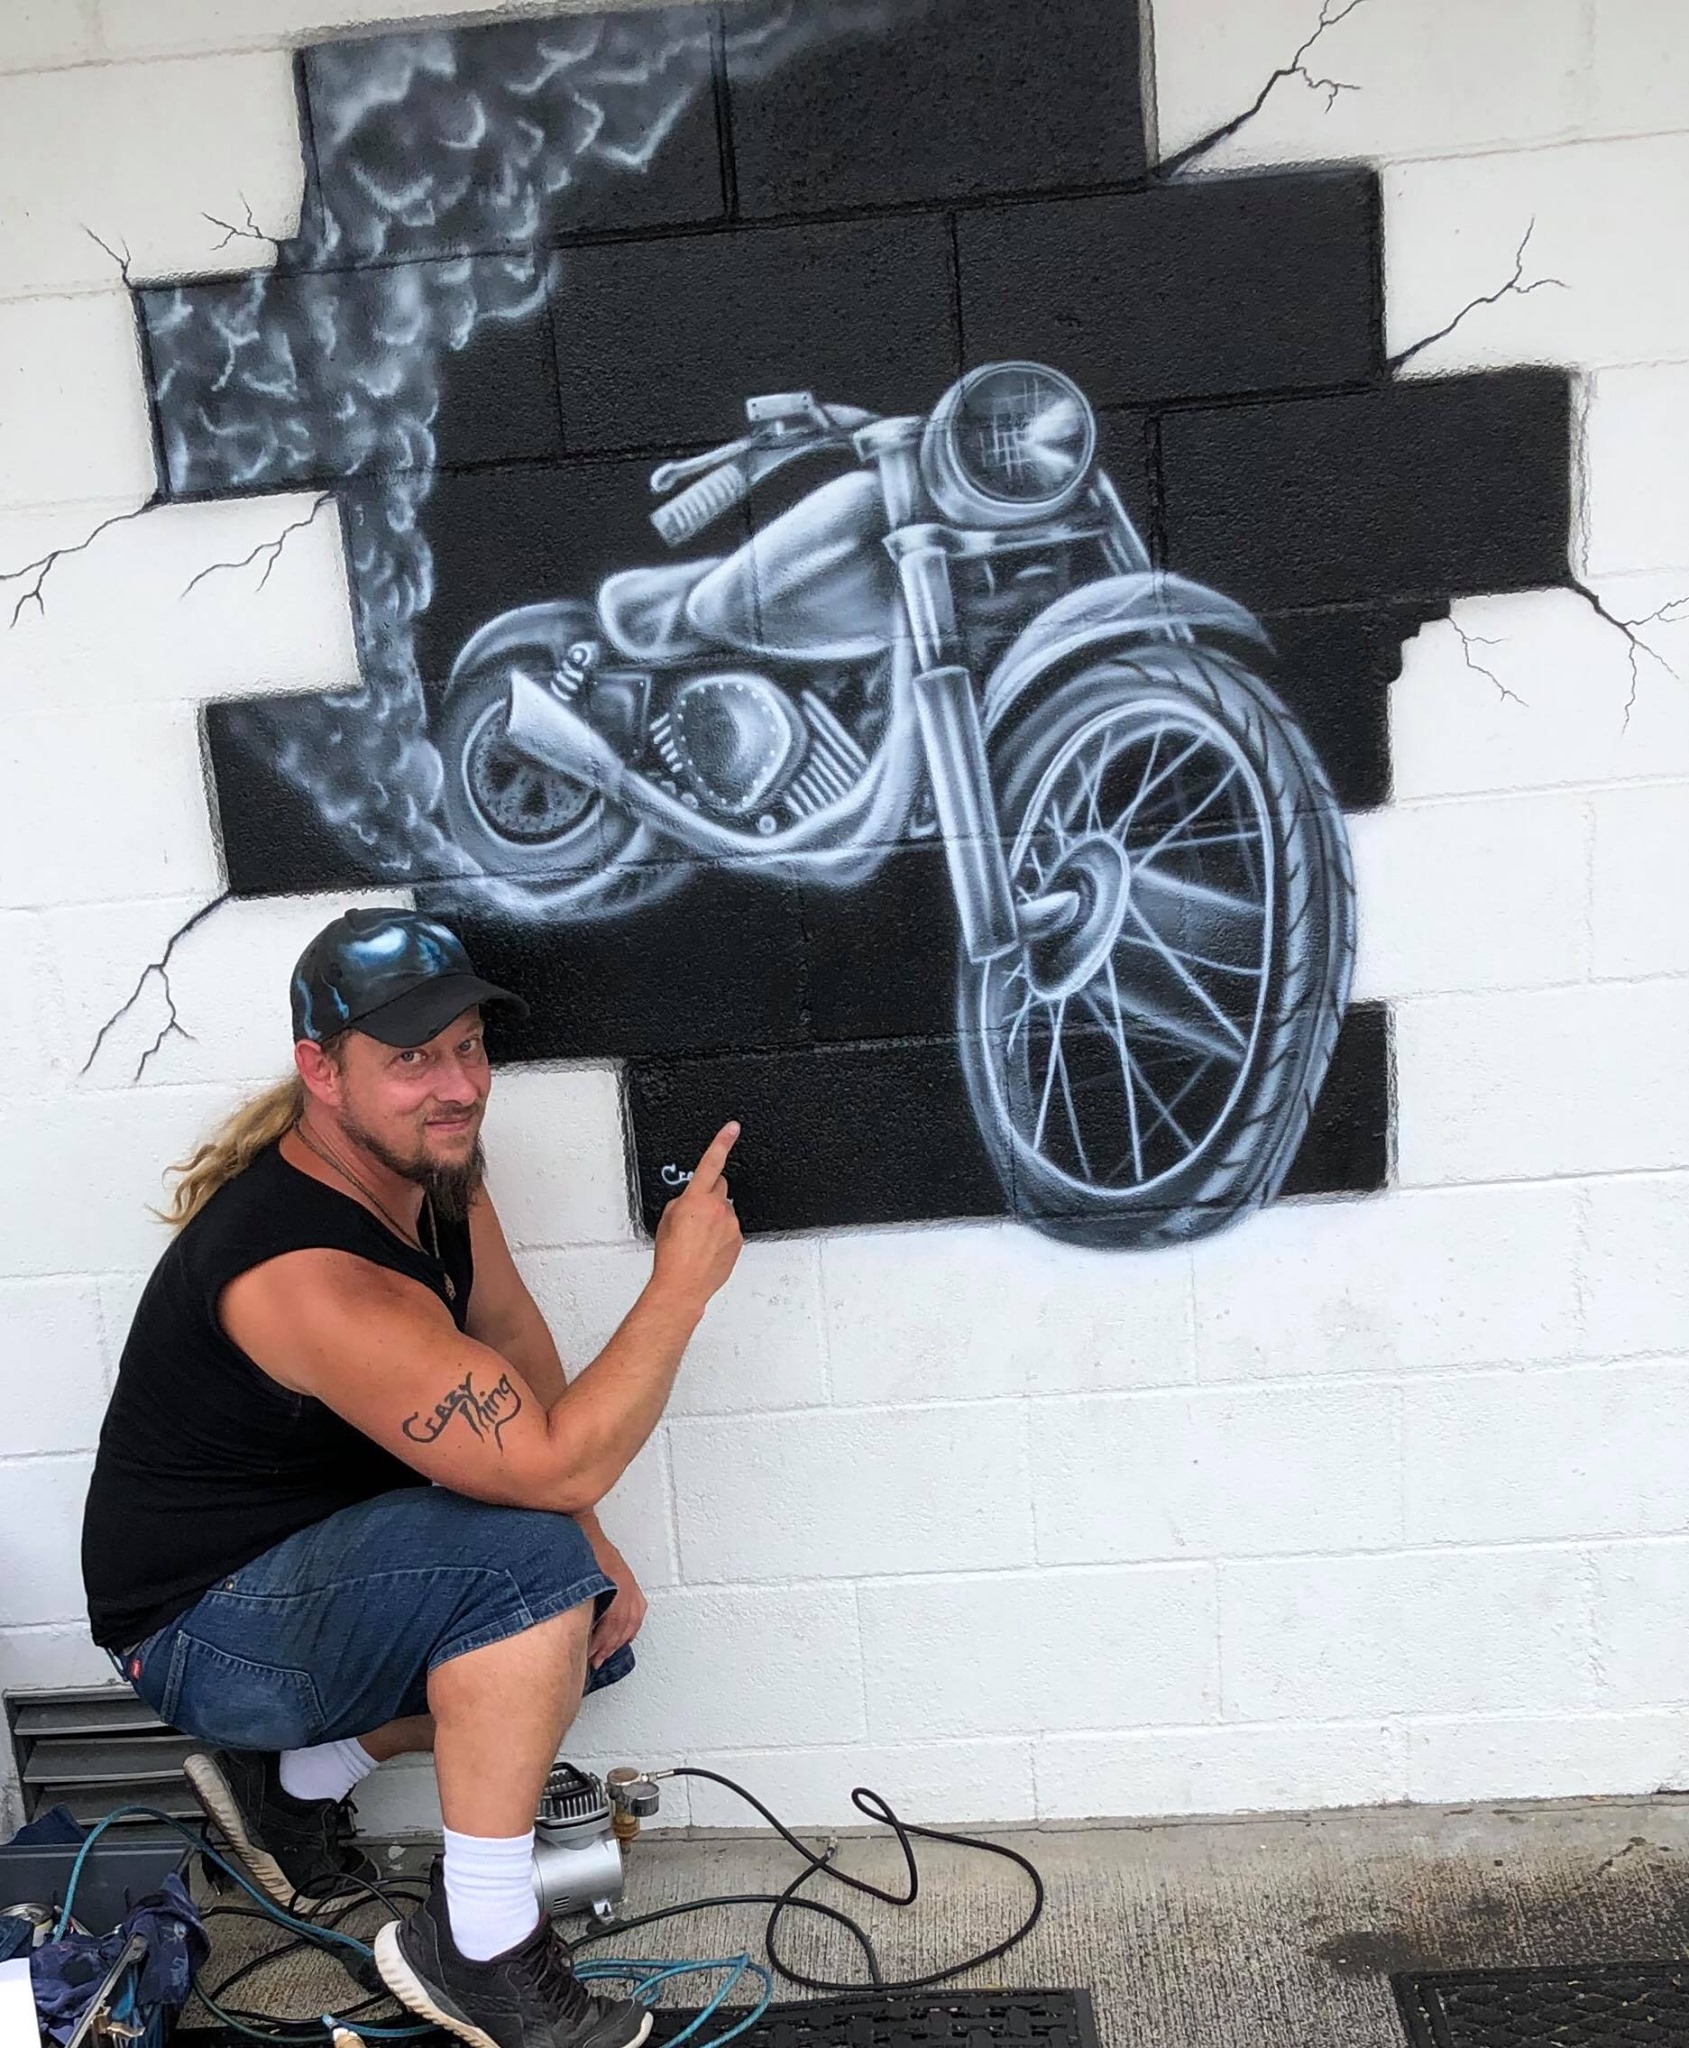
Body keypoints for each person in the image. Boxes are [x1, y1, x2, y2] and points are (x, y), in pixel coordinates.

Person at [79, 908, 743, 2048]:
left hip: (301, 1563)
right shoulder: (305, 1274)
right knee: (532, 1574)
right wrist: (681, 1284)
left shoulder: (432, 1172)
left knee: (581, 1616)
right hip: (198, 1628)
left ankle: (292, 1784)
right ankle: (479, 1945)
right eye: (411, 1059)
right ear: (320, 1072)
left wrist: (590, 1532)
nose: (457, 1086)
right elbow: (554, 1454)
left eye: (469, 1048)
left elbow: (509, 1338)